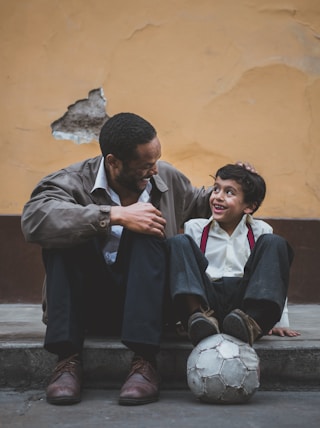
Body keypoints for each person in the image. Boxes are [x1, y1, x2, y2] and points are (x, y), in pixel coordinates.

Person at [21, 112, 218, 406]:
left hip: (149, 307)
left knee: (149, 227)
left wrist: (238, 183)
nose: (155, 171)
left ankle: (144, 362)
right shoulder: (71, 182)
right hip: (86, 306)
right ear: (113, 162)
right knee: (65, 236)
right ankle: (67, 362)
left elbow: (200, 201)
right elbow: (35, 219)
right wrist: (115, 216)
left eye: (156, 161)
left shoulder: (165, 176)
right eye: (146, 166)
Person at [166, 164, 300, 348]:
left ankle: (252, 324)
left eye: (229, 192)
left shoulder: (261, 231)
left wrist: (280, 321)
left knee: (275, 242)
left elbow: (274, 275)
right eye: (216, 189)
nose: (218, 197)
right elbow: (187, 273)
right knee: (178, 242)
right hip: (207, 302)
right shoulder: (195, 228)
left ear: (249, 206)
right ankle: (196, 319)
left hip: (243, 307)